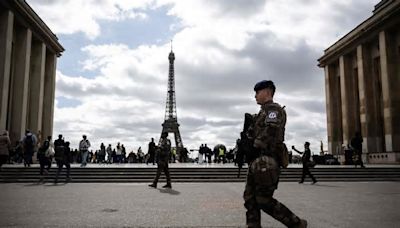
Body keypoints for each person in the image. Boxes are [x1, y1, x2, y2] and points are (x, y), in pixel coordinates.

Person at [243, 80, 307, 228]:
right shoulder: (262, 112)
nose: (255, 96)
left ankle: (296, 223)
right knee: (250, 198)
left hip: (266, 159)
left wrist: (254, 145)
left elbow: (271, 130)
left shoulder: (273, 110)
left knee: (263, 199)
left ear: (267, 91)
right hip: (257, 159)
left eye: (257, 92)